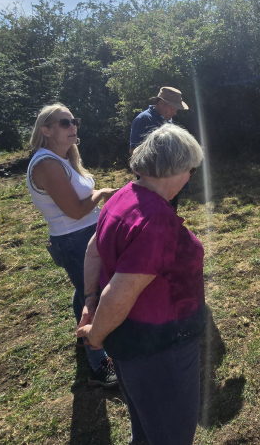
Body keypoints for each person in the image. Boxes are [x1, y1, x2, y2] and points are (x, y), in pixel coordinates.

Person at [77, 125, 205, 445]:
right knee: (171, 435)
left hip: (131, 344)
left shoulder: (124, 194)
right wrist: (96, 335)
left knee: (146, 428)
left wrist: (90, 299)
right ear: (174, 169)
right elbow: (119, 295)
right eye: (190, 170)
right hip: (161, 349)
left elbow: (94, 247)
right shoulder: (156, 220)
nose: (190, 178)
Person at [26, 104, 118, 388]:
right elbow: (75, 211)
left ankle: (84, 338)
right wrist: (102, 193)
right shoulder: (47, 164)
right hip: (74, 239)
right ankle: (98, 363)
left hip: (84, 235)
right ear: (46, 130)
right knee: (95, 296)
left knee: (84, 289)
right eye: (64, 123)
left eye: (74, 121)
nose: (72, 127)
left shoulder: (64, 158)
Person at [129, 86, 189, 210]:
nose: (175, 113)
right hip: (154, 184)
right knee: (155, 218)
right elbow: (135, 152)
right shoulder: (144, 120)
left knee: (170, 216)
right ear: (162, 103)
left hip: (170, 181)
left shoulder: (168, 121)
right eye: (173, 108)